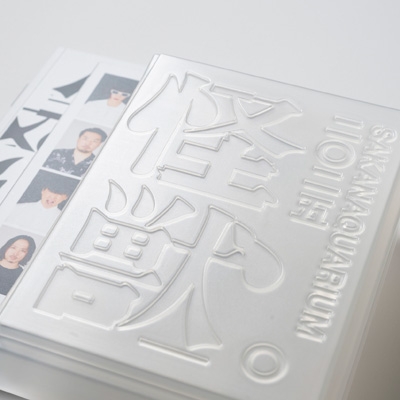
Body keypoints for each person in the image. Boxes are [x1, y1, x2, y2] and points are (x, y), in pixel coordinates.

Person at [6, 178, 75, 236]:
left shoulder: (64, 221)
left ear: (65, 197)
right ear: (43, 190)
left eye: (59, 194)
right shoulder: (17, 208)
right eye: (51, 191)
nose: (53, 197)